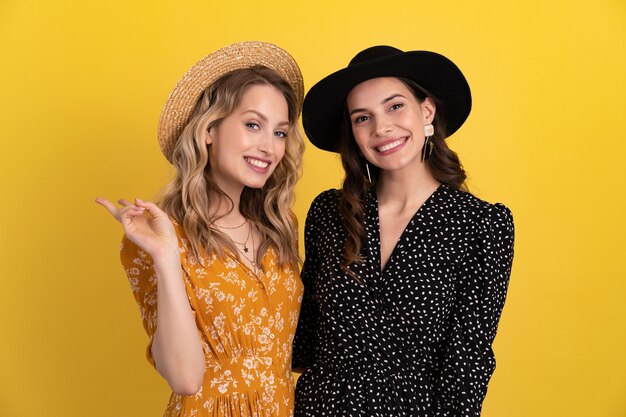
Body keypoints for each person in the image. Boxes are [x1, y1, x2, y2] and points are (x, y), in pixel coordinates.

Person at [292, 46, 515, 416]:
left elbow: (467, 364)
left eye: (395, 106)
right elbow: (302, 342)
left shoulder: (481, 226)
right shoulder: (330, 214)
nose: (381, 128)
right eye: (362, 118)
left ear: (426, 111)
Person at [96, 41, 305, 417]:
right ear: (209, 129)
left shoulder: (279, 227)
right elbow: (185, 379)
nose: (269, 147)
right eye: (253, 125)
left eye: (279, 132)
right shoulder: (158, 237)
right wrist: (165, 256)